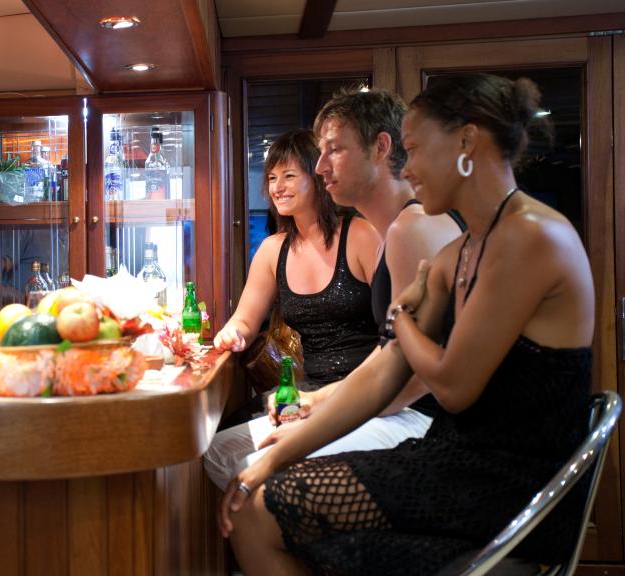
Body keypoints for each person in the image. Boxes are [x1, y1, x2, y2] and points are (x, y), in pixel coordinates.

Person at [219, 73, 593, 576]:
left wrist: (401, 318)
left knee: (261, 515)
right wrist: (270, 459)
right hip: (456, 459)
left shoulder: (530, 236)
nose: (408, 167)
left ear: (467, 142)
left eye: (414, 149)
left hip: (508, 483)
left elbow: (454, 387)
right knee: (255, 505)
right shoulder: (461, 249)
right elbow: (383, 371)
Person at [204, 91, 463, 490]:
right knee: (219, 454)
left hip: (410, 414)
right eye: (272, 177)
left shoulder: (402, 231)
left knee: (256, 478)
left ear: (381, 148)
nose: (323, 166)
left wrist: (317, 410)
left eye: (333, 151)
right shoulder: (393, 231)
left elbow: (409, 374)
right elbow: (397, 356)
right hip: (354, 396)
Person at [204, 129, 380, 488]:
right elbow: (246, 319)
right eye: (271, 177)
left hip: (364, 393)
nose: (276, 187)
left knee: (256, 467)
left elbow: (397, 335)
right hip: (306, 393)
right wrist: (232, 333)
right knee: (217, 452)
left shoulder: (361, 235)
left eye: (288, 176)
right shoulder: (273, 249)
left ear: (317, 177)